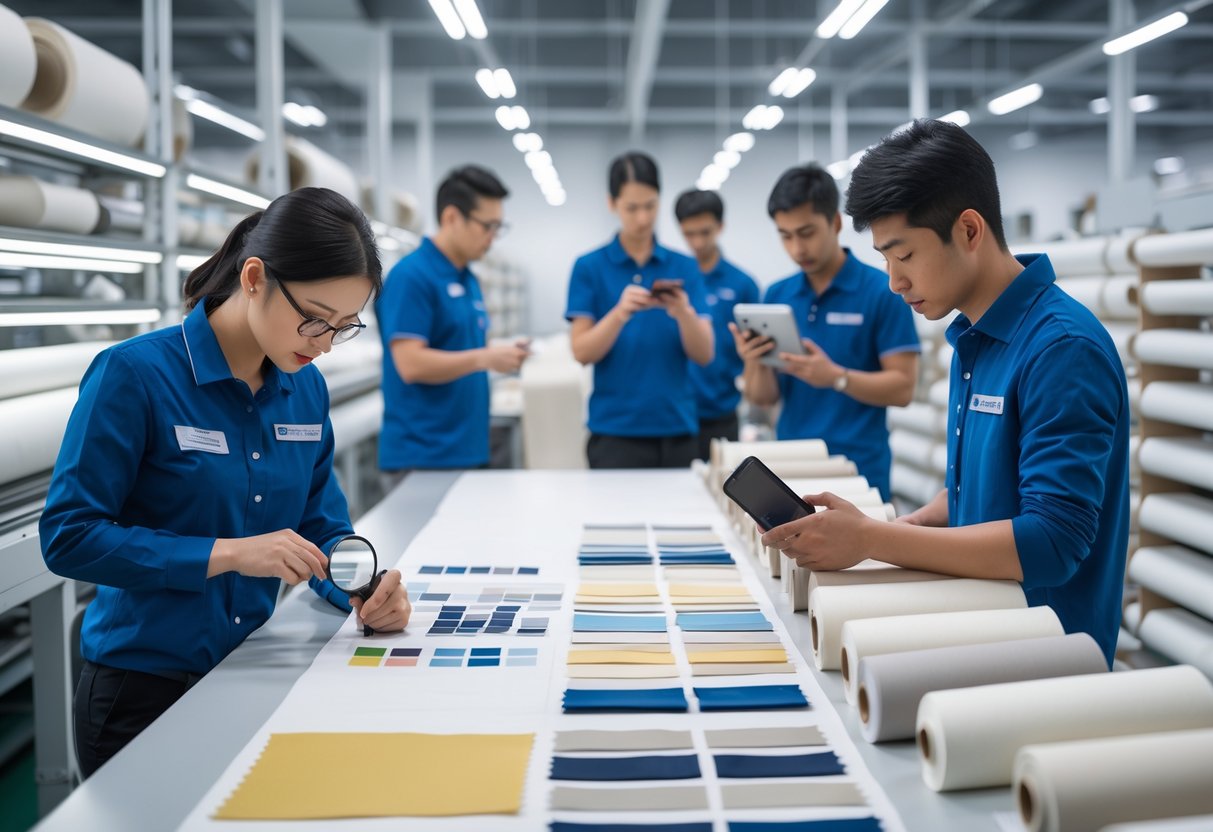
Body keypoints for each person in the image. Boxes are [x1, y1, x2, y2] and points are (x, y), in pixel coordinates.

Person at [40, 188, 413, 777]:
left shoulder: (305, 389)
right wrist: (228, 555)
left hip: (249, 671)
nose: (322, 343)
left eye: (344, 327)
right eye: (314, 317)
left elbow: (322, 526)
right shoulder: (134, 375)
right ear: (255, 277)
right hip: (141, 694)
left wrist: (362, 588)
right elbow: (68, 536)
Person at [761, 119, 1130, 666]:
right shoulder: (974, 337)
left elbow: (1054, 544)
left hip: (1045, 657)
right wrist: (917, 519)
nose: (893, 281)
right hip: (984, 622)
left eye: (904, 255)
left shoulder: (1062, 348)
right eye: (884, 259)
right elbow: (993, 484)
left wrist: (872, 540)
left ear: (969, 231)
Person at [731, 164, 919, 500]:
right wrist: (754, 362)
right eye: (785, 236)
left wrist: (835, 377)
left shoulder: (883, 290)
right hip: (791, 466)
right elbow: (764, 398)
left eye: (806, 233)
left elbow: (903, 388)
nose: (797, 249)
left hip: (858, 469)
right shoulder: (776, 296)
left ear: (834, 223)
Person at [376, 165, 527, 481]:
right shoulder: (412, 277)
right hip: (424, 457)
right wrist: (486, 358)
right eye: (487, 226)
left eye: (499, 227)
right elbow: (410, 363)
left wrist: (497, 354)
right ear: (451, 218)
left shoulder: (467, 278)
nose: (493, 238)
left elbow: (462, 350)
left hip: (465, 450)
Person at [566, 151, 714, 469]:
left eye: (650, 206)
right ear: (612, 203)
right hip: (614, 434)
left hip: (677, 430)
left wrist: (684, 313)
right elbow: (581, 351)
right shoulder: (589, 267)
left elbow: (705, 354)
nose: (642, 218)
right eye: (631, 208)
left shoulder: (684, 266)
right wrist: (619, 314)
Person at [674, 188, 760, 460]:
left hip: (722, 411)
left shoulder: (743, 285)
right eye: (689, 234)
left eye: (705, 232)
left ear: (720, 226)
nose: (697, 242)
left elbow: (756, 350)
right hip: (676, 413)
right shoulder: (672, 283)